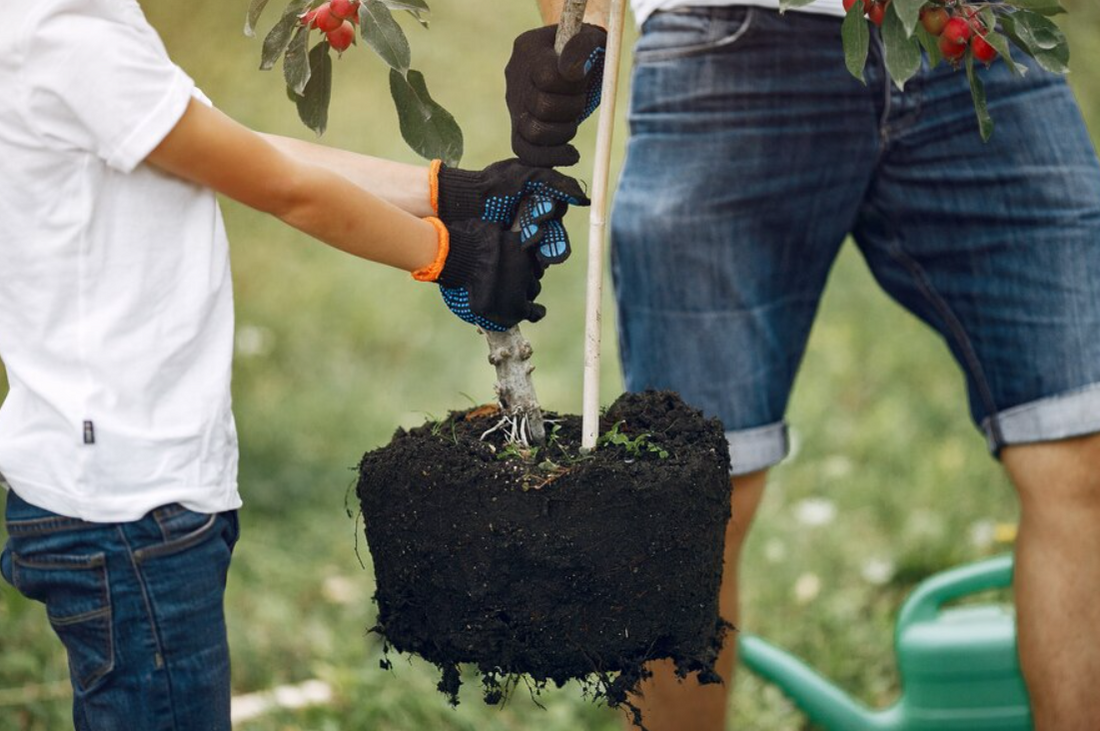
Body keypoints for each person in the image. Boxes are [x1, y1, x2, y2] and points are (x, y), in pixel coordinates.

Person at [506, 0, 1100, 729]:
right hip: (728, 43)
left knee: (1083, 443)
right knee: (691, 501)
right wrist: (573, 31)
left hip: (975, 35)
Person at [0, 1, 589, 728]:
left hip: (126, 489)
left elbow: (235, 147)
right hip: (127, 506)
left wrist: (456, 194)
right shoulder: (63, 33)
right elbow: (281, 187)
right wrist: (449, 255)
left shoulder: (77, 24)